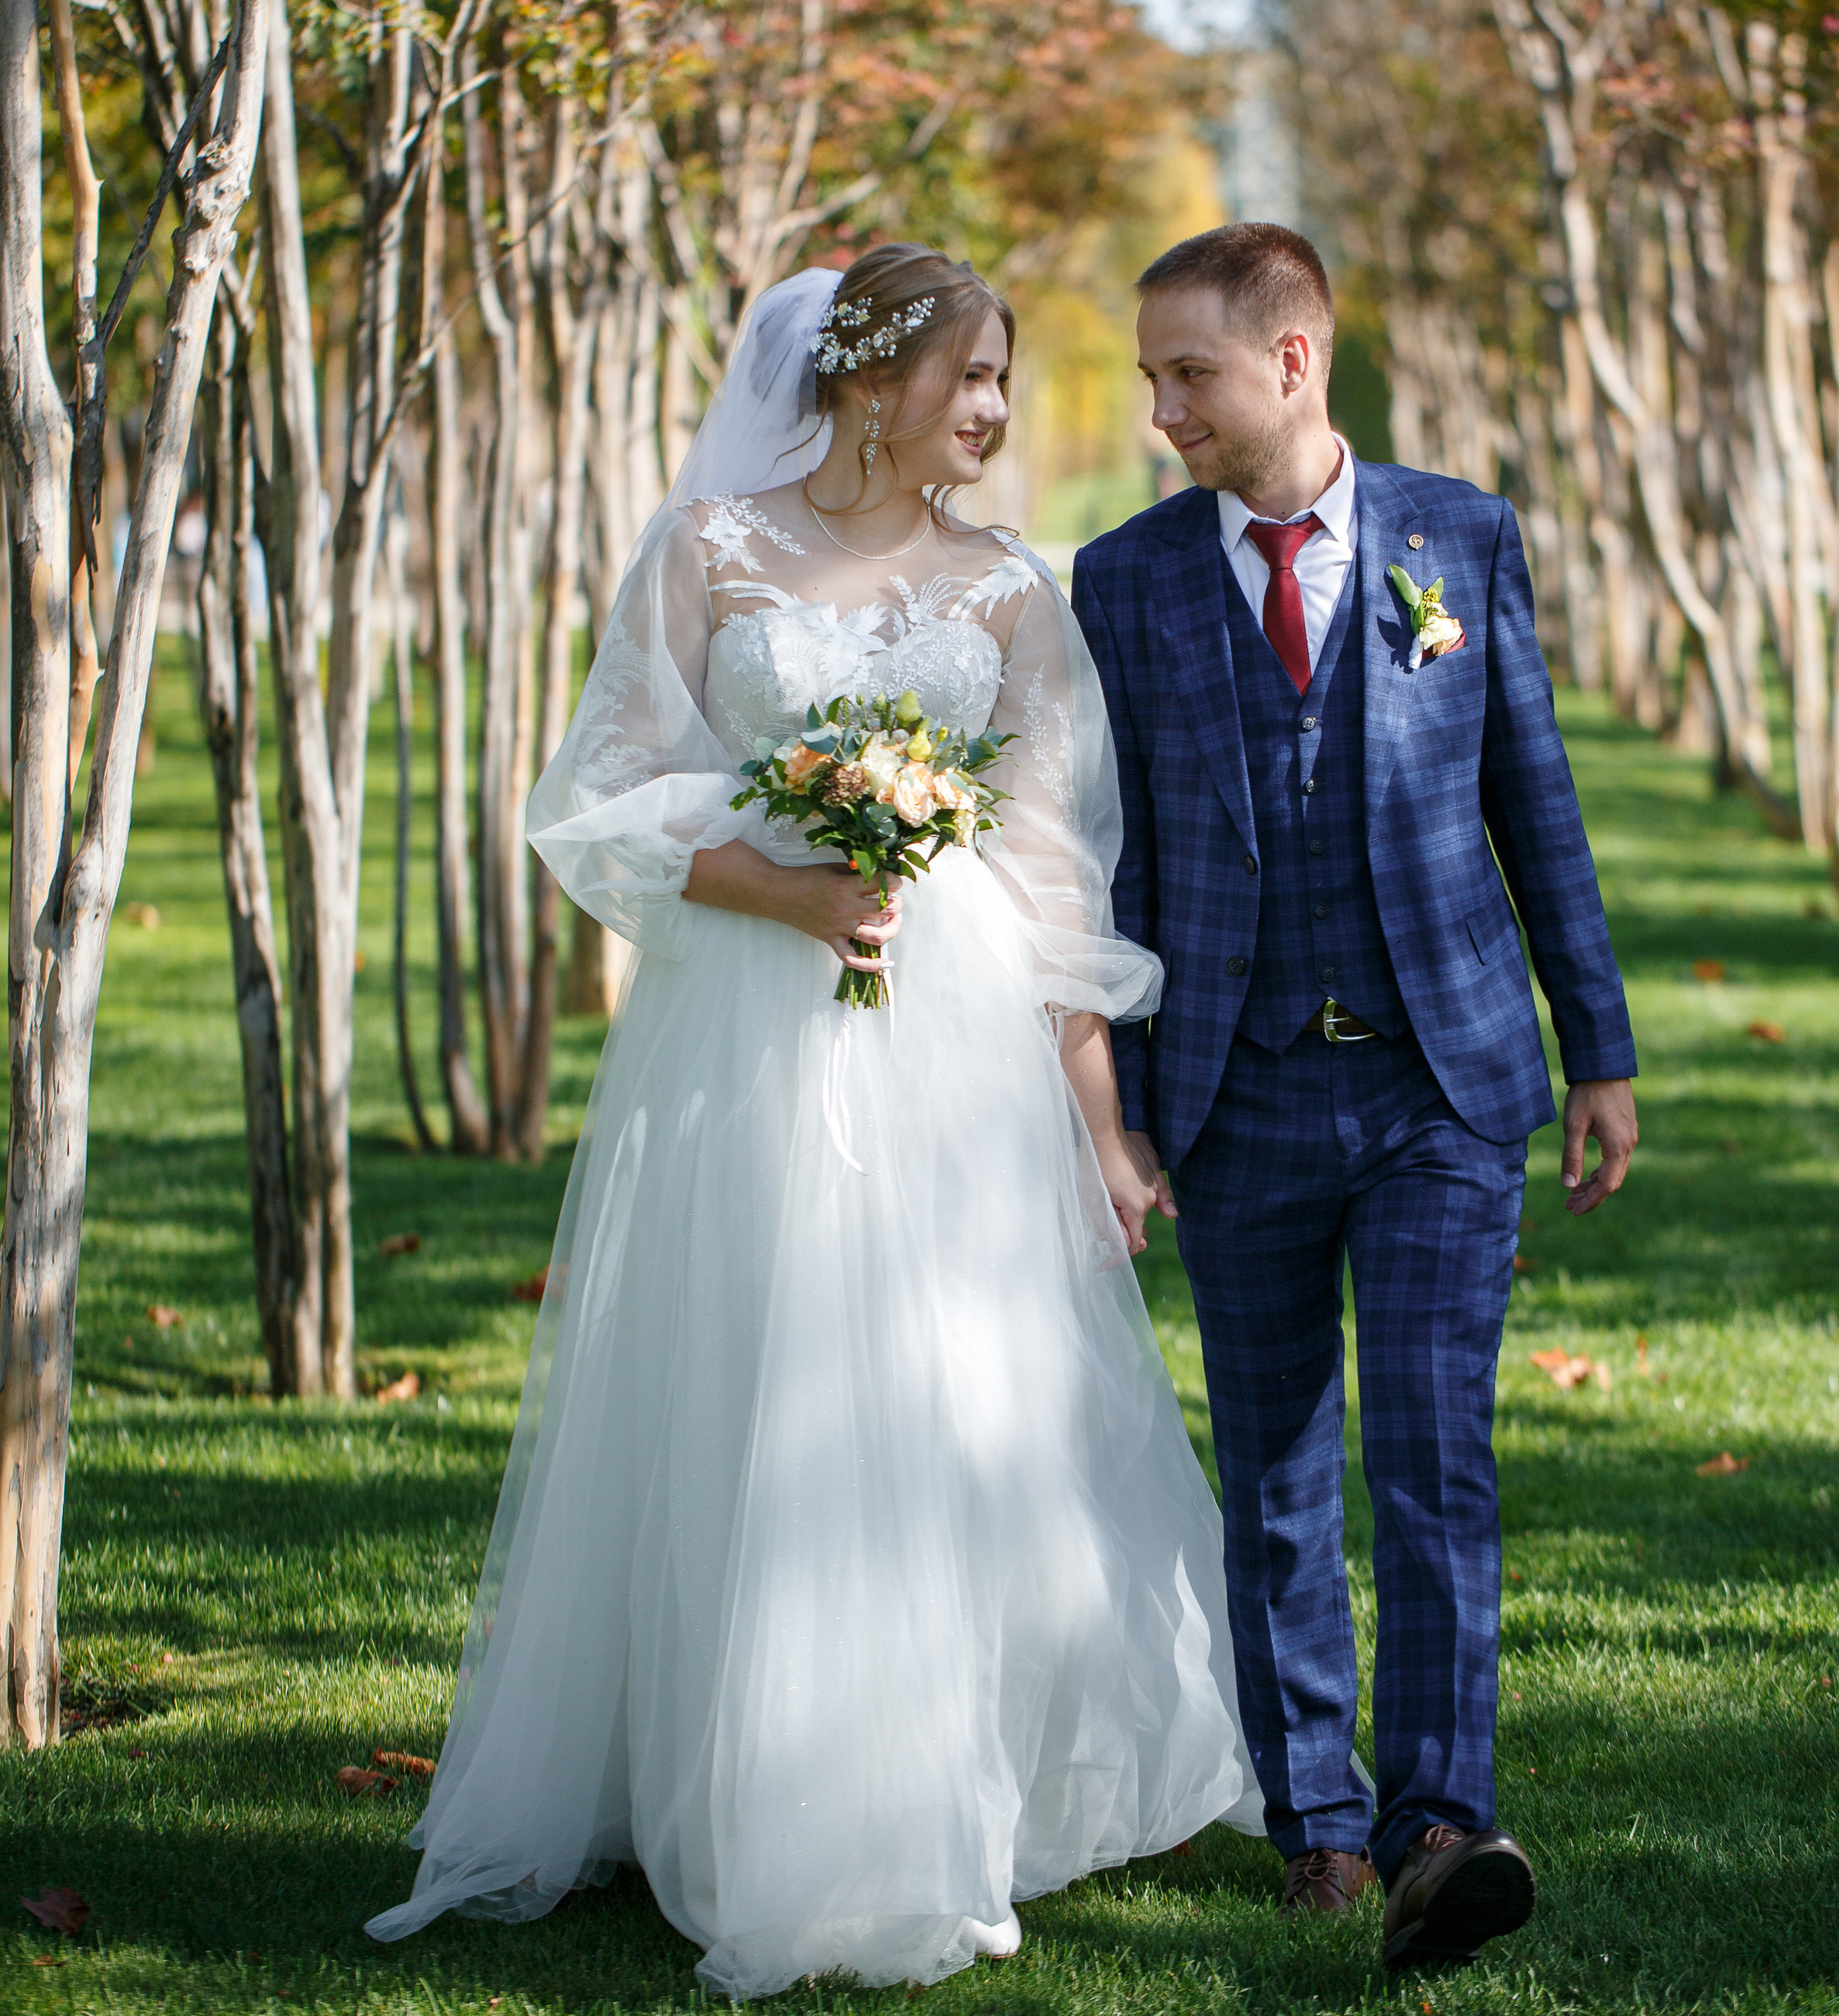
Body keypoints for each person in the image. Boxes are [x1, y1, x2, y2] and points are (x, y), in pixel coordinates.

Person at [367, 245, 1260, 2000]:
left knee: (947, 1387)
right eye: (972, 378)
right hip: (749, 1039)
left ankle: (963, 1789)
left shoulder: (1010, 585)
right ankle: (755, 1784)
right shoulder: (706, 551)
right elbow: (594, 797)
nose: (995, 411)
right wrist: (776, 887)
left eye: (1006, 380)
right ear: (865, 383)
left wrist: (1095, 1124)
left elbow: (1050, 863)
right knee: (762, 1379)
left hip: (959, 1051)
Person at [1072, 222, 1638, 1973]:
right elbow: (1104, 855)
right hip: (1232, 1095)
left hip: (1439, 1080)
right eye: (1153, 376)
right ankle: (1314, 1818)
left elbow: (1529, 790)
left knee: (1430, 1461)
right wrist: (1115, 1099)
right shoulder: (1122, 579)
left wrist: (1594, 1044)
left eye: (1191, 374)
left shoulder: (1455, 536)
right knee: (1274, 1480)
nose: (1161, 407)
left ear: (1293, 359)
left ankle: (1438, 1821)